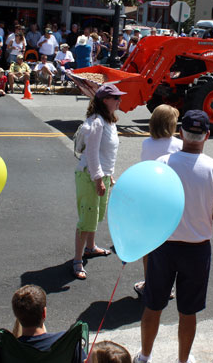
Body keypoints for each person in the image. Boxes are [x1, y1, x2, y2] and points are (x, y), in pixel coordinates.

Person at [135, 110, 213, 363]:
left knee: (153, 305)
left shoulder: (162, 163)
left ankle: (145, 356)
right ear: (207, 136)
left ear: (181, 133)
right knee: (188, 311)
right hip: (196, 249)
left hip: (163, 246)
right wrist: (207, 211)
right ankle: (183, 359)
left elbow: (148, 204)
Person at [73, 83, 126, 280]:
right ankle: (77, 260)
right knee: (87, 217)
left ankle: (90, 247)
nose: (119, 100)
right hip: (90, 176)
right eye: (116, 98)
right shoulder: (96, 123)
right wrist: (98, 179)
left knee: (96, 214)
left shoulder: (109, 121)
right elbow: (92, 154)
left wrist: (108, 175)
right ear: (105, 101)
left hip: (100, 175)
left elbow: (106, 154)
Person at [0, 284, 86, 363]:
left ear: (16, 314)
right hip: (53, 353)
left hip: (14, 352)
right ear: (44, 313)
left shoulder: (2, 347)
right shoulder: (67, 342)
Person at [134, 104, 183, 297]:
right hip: (170, 197)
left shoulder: (147, 144)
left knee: (149, 246)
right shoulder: (178, 145)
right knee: (169, 245)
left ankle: (149, 282)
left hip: (150, 198)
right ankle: (168, 286)